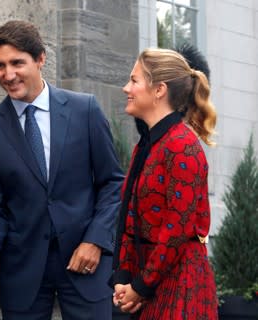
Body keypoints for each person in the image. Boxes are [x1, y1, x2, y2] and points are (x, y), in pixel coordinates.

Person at [0, 20, 124, 320]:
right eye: (0, 65)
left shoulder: (86, 110)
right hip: (22, 267)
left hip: (86, 262)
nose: (8, 74)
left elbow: (112, 183)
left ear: (41, 59)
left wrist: (95, 240)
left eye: (17, 63)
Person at [111, 47, 218, 319]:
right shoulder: (146, 144)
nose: (126, 88)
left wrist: (140, 287)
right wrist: (124, 278)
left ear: (159, 90)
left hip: (180, 285)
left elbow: (176, 230)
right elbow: (129, 217)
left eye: (134, 80)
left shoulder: (183, 147)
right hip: (149, 283)